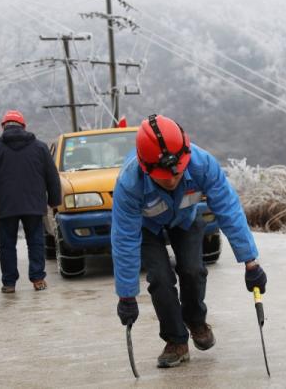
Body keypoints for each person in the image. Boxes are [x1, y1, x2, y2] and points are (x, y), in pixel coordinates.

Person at [111, 114, 268, 368]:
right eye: (164, 177)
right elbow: (124, 240)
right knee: (161, 278)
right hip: (147, 227)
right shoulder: (129, 184)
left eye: (176, 173)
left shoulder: (202, 164)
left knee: (193, 270)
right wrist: (126, 296)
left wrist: (251, 262)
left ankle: (196, 321)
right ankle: (176, 341)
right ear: (146, 168)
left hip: (185, 219)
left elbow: (229, 210)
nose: (172, 180)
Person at [0, 110, 61, 294]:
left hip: (7, 206)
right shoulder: (40, 147)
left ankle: (9, 283)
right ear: (24, 126)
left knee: (7, 245)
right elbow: (52, 176)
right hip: (34, 205)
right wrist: (54, 201)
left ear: (3, 126)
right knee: (35, 242)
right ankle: (38, 279)